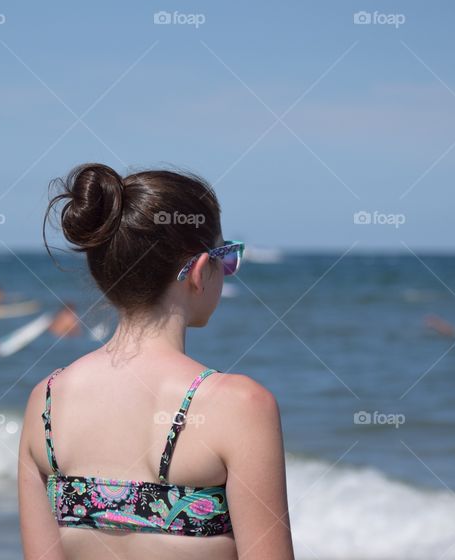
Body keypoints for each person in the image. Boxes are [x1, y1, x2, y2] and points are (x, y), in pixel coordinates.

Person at [18, 164, 293, 560]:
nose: (227, 272)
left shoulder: (44, 402)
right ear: (199, 270)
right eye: (227, 258)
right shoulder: (241, 405)